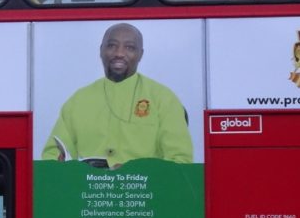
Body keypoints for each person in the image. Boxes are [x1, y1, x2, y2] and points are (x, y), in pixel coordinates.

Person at [41, 23, 192, 168]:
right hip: (89, 191)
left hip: (144, 191)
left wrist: (132, 172)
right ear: (101, 51)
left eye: (129, 47)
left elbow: (180, 160)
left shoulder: (163, 99)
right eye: (112, 46)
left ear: (140, 54)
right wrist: (58, 163)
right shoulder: (78, 100)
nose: (119, 53)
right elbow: (51, 156)